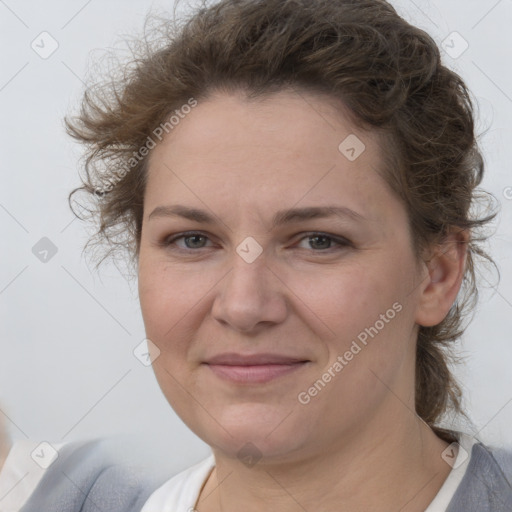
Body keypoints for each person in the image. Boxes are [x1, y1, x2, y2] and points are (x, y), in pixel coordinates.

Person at [1, 0, 511, 510]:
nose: (243, 307)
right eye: (193, 240)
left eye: (318, 240)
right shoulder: (60, 491)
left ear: (437, 275)